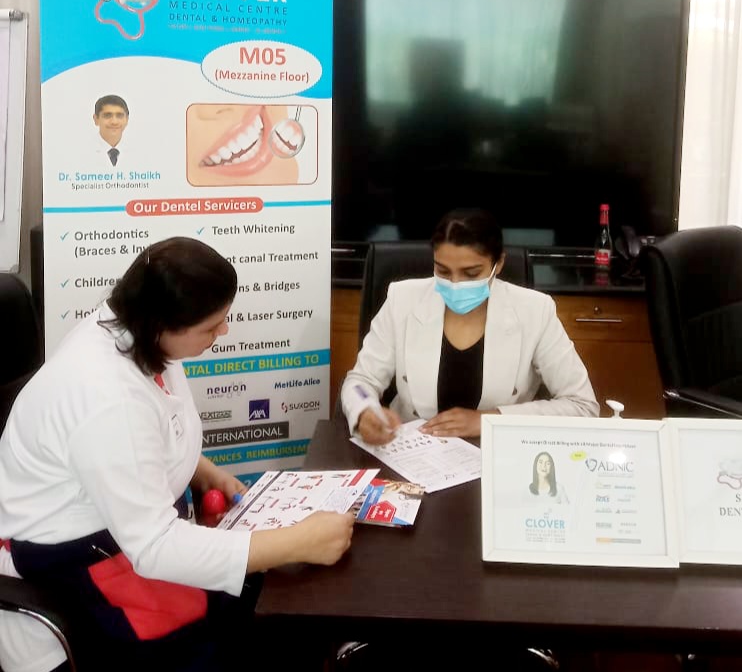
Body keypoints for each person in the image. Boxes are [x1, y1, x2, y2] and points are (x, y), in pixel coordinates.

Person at [0, 237, 354, 672]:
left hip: (121, 534)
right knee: (239, 637)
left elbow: (143, 435)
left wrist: (203, 471)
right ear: (161, 325)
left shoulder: (132, 332)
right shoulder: (106, 396)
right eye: (211, 327)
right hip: (72, 563)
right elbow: (154, 547)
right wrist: (296, 542)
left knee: (257, 596)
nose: (223, 333)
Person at [341, 207, 598, 445]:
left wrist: (490, 420)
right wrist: (365, 411)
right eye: (443, 271)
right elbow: (361, 382)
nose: (455, 284)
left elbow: (582, 405)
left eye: (471, 273)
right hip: (412, 453)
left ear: (498, 264)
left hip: (497, 454)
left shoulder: (535, 311)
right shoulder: (402, 299)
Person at [93, 93, 129, 167]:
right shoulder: (80, 152)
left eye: (119, 116)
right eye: (107, 116)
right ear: (96, 119)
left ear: (126, 119)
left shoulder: (141, 153)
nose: (114, 122)